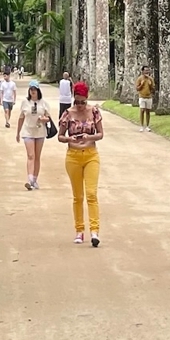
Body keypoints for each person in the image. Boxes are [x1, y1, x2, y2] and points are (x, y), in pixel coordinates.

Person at [57, 80, 103, 246]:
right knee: (78, 196)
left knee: (91, 193)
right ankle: (79, 230)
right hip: (73, 156)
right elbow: (60, 136)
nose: (80, 105)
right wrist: (69, 139)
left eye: (83, 102)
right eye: (77, 102)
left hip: (91, 155)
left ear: (87, 98)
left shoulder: (94, 111)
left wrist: (89, 137)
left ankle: (94, 231)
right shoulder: (68, 114)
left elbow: (100, 134)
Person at [16, 81, 54, 190]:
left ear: (38, 90)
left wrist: (43, 119)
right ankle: (29, 179)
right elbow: (21, 117)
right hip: (28, 131)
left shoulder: (43, 103)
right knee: (30, 155)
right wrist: (18, 132)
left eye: (34, 89)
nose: (33, 91)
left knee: (37, 156)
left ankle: (35, 179)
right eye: (31, 89)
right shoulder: (25, 102)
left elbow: (48, 118)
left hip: (40, 132)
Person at [134, 64, 155, 129]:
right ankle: (141, 126)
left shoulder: (150, 79)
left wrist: (150, 85)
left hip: (149, 97)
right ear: (142, 71)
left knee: (148, 111)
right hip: (142, 97)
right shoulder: (140, 78)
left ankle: (147, 126)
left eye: (148, 70)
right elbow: (137, 89)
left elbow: (153, 89)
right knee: (142, 110)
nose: (147, 72)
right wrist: (141, 84)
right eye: (145, 70)